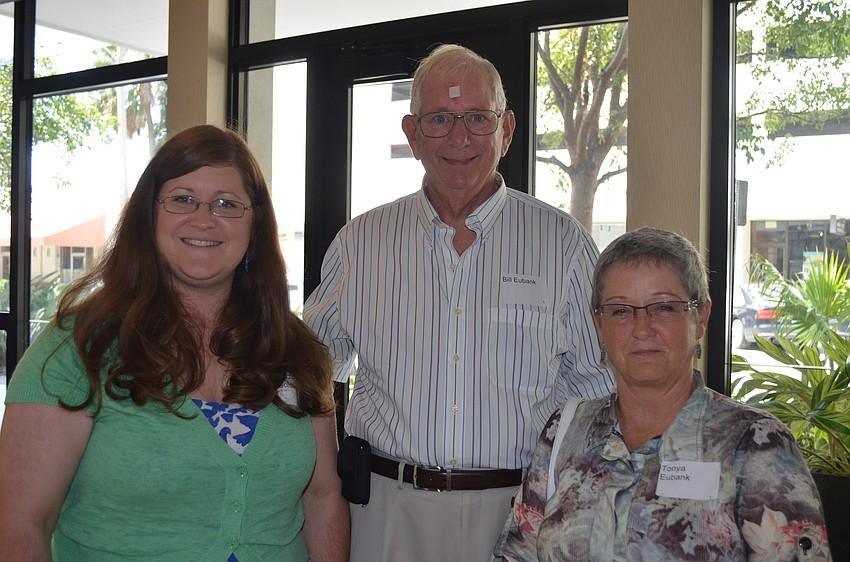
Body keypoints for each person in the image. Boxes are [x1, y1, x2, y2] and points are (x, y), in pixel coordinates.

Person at [303, 44, 613, 562]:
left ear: (507, 130)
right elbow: (308, 367)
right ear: (412, 133)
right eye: (440, 119)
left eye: (477, 118)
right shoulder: (361, 244)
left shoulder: (563, 245)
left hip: (520, 510)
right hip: (385, 508)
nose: (460, 137)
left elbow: (596, 389)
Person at [0, 124, 349, 561]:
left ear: (255, 223)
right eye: (183, 199)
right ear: (150, 214)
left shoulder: (293, 348)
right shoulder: (79, 347)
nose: (203, 219)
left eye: (227, 204)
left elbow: (322, 496)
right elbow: (21, 524)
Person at [495, 227, 832, 561]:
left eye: (665, 307)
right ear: (599, 325)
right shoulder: (564, 434)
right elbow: (517, 555)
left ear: (700, 318)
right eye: (621, 311)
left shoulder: (757, 445)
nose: (642, 329)